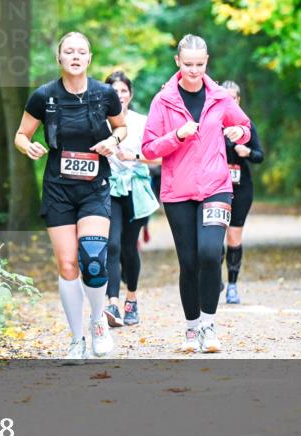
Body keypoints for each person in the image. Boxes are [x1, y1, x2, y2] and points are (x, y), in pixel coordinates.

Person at [14, 32, 126, 363]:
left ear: (89, 58)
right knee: (67, 264)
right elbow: (21, 134)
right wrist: (28, 146)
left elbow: (121, 128)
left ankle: (98, 323)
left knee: (93, 257)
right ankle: (77, 338)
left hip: (94, 185)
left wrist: (114, 142)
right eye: (68, 51)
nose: (75, 56)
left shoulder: (105, 94)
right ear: (60, 58)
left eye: (81, 52)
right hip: (58, 187)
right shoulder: (43, 96)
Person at [141, 34, 251, 354]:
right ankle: (191, 329)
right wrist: (176, 135)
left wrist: (238, 132)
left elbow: (244, 126)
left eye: (200, 65)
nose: (194, 70)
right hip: (178, 192)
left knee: (208, 254)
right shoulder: (163, 101)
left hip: (217, 187)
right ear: (177, 62)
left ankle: (209, 324)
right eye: (188, 64)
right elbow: (148, 150)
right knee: (189, 262)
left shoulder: (219, 96)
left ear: (207, 62)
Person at [101, 71, 159, 328]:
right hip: (109, 189)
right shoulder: (98, 121)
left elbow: (159, 158)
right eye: (114, 91)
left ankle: (131, 299)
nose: (119, 95)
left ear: (130, 94)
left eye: (123, 91)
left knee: (128, 246)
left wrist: (132, 156)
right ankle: (112, 303)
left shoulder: (142, 121)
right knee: (111, 245)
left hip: (136, 189)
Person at [221, 81, 264, 304]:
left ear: (238, 100)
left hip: (241, 188)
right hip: (216, 187)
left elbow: (260, 155)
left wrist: (246, 151)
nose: (230, 101)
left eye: (234, 98)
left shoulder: (247, 126)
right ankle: (213, 279)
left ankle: (232, 286)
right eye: (225, 97)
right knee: (214, 237)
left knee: (234, 236)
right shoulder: (214, 123)